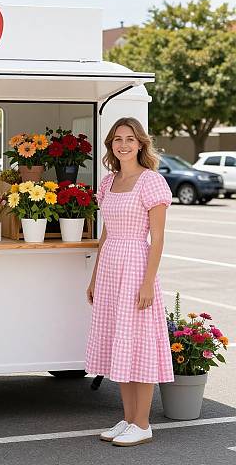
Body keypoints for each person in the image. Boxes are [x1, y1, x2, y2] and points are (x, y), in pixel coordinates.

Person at [84, 117, 174, 447]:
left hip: (137, 264)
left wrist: (148, 282)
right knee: (117, 344)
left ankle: (143, 422)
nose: (124, 144)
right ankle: (128, 419)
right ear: (111, 145)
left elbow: (159, 236)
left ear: (140, 144)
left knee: (139, 345)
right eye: (118, 139)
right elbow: (106, 232)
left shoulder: (151, 181)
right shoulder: (108, 183)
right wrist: (94, 277)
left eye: (130, 139)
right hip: (111, 268)